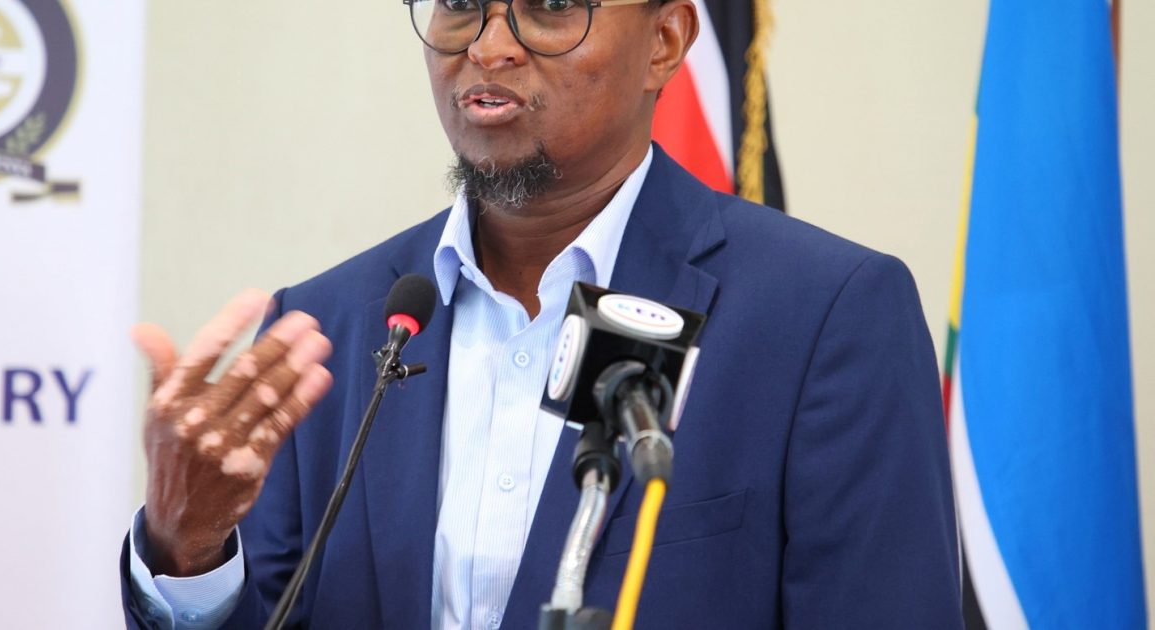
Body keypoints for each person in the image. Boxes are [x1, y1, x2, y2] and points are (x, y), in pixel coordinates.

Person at [120, 1, 963, 628]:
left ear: (665, 42)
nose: (490, 46)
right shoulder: (326, 330)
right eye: (460, 4)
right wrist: (188, 550)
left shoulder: (824, 317)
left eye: (553, 5)